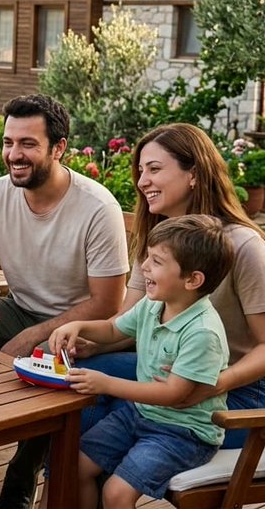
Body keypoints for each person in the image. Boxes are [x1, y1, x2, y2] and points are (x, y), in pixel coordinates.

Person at [0, 94, 130, 509]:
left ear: (59, 147)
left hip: (82, 330)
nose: (14, 154)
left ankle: (22, 473)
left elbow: (108, 303)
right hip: (19, 310)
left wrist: (35, 336)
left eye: (27, 144)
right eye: (8, 142)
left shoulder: (97, 208)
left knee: (45, 363)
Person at [75, 123, 265, 448]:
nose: (142, 181)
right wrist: (88, 340)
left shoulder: (243, 246)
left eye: (155, 169)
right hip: (164, 373)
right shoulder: (159, 242)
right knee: (77, 376)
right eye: (141, 170)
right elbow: (128, 323)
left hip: (235, 395)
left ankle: (71, 487)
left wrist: (212, 384)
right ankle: (64, 482)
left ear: (195, 174)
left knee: (113, 409)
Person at [48, 214, 234, 508]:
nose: (144, 266)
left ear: (192, 279)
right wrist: (78, 327)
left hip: (183, 432)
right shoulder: (153, 304)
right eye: (148, 257)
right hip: (141, 414)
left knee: (116, 493)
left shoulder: (202, 332)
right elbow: (113, 329)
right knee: (74, 465)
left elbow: (174, 394)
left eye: (157, 261)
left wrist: (106, 384)